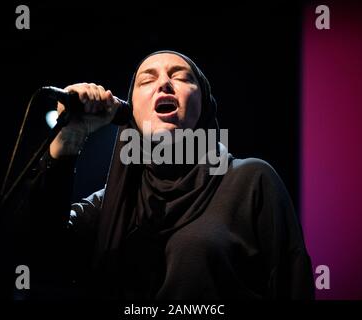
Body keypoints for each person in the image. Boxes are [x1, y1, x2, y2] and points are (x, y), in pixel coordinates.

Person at [28, 50, 314, 300]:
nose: (164, 83)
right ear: (130, 113)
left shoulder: (251, 180)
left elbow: (292, 282)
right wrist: (69, 139)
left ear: (203, 105)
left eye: (181, 77)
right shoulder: (114, 203)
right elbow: (40, 248)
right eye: (147, 80)